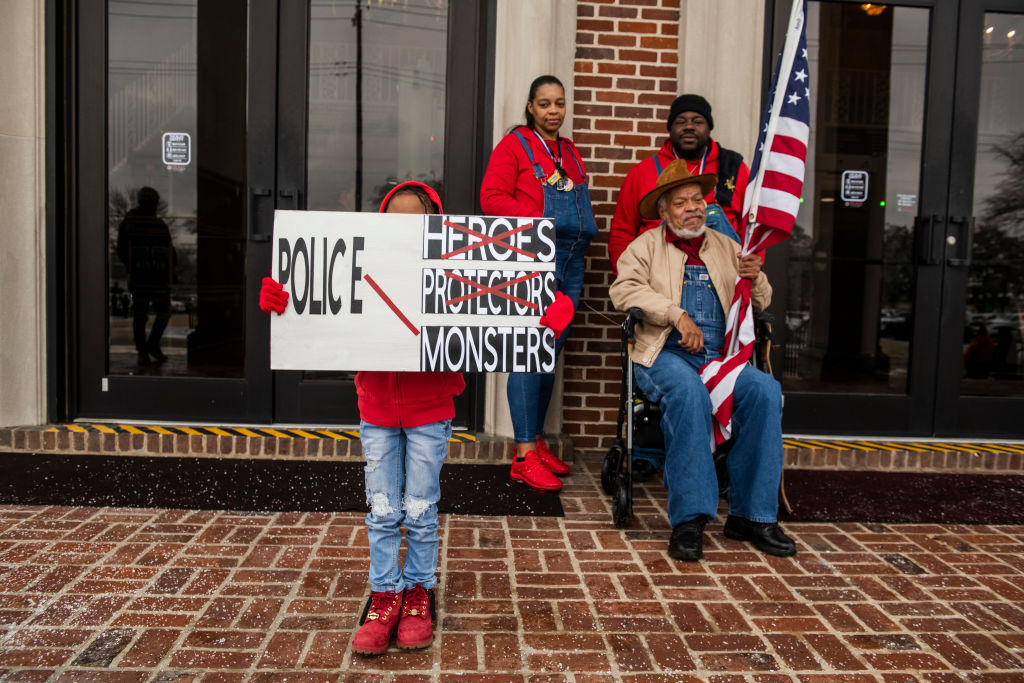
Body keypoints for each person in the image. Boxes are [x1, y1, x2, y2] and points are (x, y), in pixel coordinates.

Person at [259, 181, 465, 655]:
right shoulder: (360, 271)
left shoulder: (452, 273)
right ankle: (385, 593)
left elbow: (493, 316)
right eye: (395, 217)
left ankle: (417, 593)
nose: (405, 225)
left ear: (433, 224)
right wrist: (283, 304)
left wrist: (540, 317)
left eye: (416, 217)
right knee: (383, 510)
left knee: (420, 509)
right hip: (376, 410)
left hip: (429, 410)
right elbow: (319, 308)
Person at [609, 160, 796, 562]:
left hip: (719, 357)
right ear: (664, 210)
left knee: (765, 391)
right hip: (664, 352)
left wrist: (755, 275)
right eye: (681, 202)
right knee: (689, 393)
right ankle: (690, 519)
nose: (692, 207)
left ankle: (751, 516)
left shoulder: (727, 246)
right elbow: (623, 291)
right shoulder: (644, 247)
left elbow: (761, 302)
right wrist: (675, 314)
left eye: (697, 200)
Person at [608, 93, 751, 482]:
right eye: (681, 120)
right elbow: (622, 234)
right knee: (681, 386)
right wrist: (640, 283)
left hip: (716, 274)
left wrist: (748, 274)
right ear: (670, 127)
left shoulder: (733, 171)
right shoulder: (644, 174)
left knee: (762, 391)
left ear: (709, 128)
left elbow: (749, 235)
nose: (690, 126)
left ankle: (743, 496)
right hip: (660, 285)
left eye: (698, 120)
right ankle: (662, 463)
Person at [480, 74, 597, 492]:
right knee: (528, 352)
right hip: (533, 262)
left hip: (571, 263)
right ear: (530, 107)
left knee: (549, 353)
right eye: (544, 103)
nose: (553, 111)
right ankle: (523, 454)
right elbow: (491, 198)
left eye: (559, 103)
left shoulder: (568, 151)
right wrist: (536, 222)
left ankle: (538, 440)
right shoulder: (514, 146)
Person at [117, 186, 177, 366]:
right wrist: (132, 266)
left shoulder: (158, 224)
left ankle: (152, 345)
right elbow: (122, 250)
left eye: (154, 201)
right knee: (140, 315)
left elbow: (169, 250)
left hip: (158, 276)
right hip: (141, 275)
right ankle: (143, 350)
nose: (153, 204)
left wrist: (171, 270)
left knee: (163, 313)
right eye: (150, 201)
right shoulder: (130, 223)